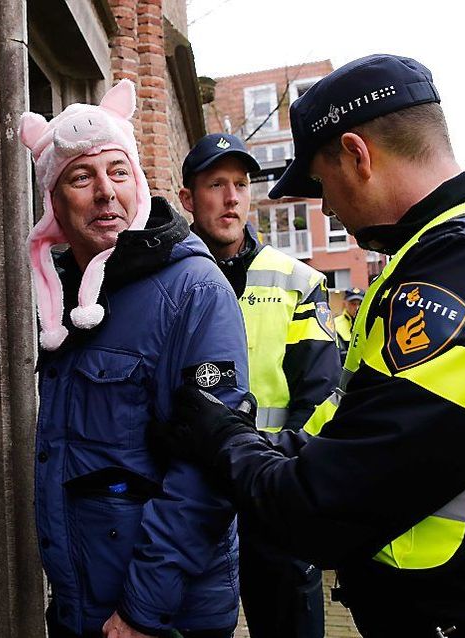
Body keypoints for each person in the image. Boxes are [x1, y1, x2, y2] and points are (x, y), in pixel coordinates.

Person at [151, 54, 465, 637]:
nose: (327, 207)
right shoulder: (463, 253)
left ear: (358, 155)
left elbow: (321, 510)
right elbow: (344, 428)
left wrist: (219, 434)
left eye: (323, 184)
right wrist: (260, 441)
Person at [19, 80, 246, 638]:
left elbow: (207, 470)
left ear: (140, 184)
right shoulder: (57, 301)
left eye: (118, 172)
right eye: (81, 176)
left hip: (162, 615)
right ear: (53, 200)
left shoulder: (193, 289)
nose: (105, 192)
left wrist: (142, 612)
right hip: (82, 599)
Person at [180, 133, 343, 638]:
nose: (232, 198)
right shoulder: (166, 277)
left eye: (241, 185)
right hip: (190, 497)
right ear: (187, 198)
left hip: (273, 494)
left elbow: (322, 394)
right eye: (216, 184)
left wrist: (267, 465)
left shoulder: (296, 279)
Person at [335, 287, 364, 359]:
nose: (357, 307)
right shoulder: (334, 324)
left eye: (360, 304)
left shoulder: (370, 323)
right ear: (345, 303)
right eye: (353, 304)